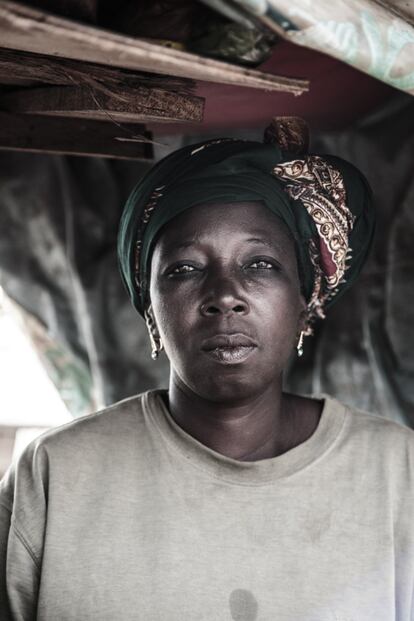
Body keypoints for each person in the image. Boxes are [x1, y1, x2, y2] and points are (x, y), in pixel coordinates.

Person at [0, 117, 413, 621]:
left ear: (305, 304)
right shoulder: (55, 474)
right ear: (151, 313)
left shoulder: (398, 472)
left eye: (260, 265)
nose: (224, 297)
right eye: (186, 269)